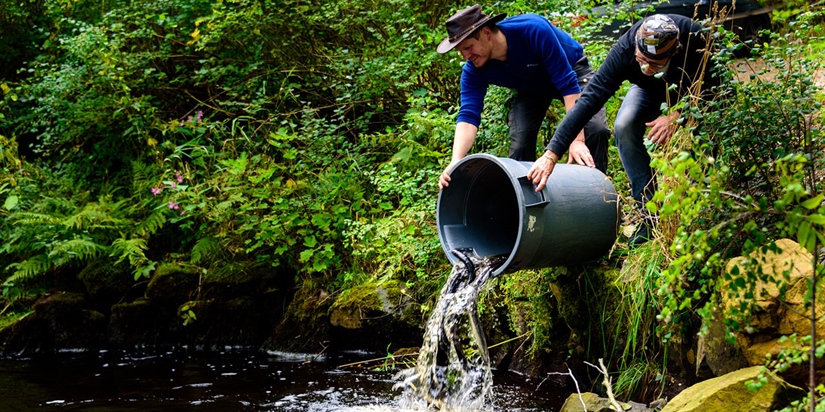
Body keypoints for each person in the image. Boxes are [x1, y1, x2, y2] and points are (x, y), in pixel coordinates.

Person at [527, 14, 721, 244]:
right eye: (641, 60)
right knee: (624, 125)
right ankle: (649, 216)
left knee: (706, 136)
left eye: (655, 63)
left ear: (674, 52)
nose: (646, 68)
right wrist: (551, 153)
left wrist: (678, 114)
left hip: (693, 94)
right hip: (649, 92)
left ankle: (702, 210)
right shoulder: (625, 49)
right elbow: (589, 100)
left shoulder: (694, 38)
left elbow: (720, 87)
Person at [436, 4, 610, 190]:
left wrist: (576, 140)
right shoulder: (474, 69)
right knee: (520, 142)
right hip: (530, 86)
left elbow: (568, 85)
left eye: (468, 47)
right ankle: (525, 202)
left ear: (486, 33)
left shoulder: (532, 30)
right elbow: (468, 116)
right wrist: (456, 160)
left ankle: (599, 194)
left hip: (572, 71)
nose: (465, 56)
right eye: (461, 51)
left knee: (596, 129)